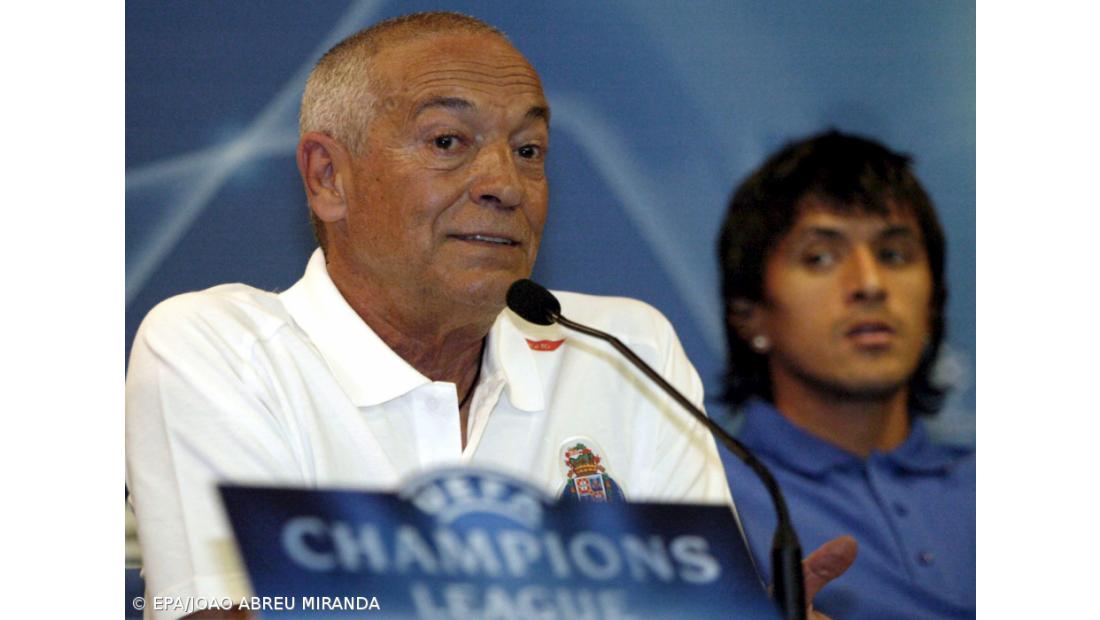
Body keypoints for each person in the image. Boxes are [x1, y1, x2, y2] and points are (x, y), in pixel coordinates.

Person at [126, 12, 854, 620]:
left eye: (529, 149)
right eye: (449, 142)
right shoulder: (217, 350)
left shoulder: (625, 351)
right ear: (328, 177)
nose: (506, 184)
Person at [717, 130, 976, 619]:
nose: (871, 284)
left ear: (934, 303)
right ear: (750, 314)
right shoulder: (707, 496)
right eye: (820, 257)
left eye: (894, 255)